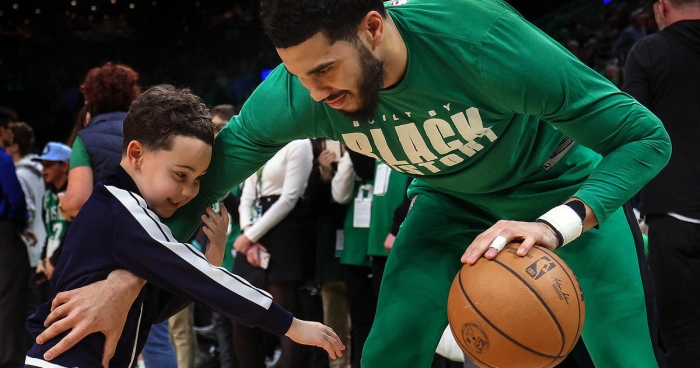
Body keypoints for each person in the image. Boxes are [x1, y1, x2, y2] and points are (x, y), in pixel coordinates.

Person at [36, 1, 670, 367]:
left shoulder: (484, 44)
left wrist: (557, 224)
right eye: (300, 78)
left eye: (325, 71)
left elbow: (648, 137)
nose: (317, 96)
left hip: (558, 186)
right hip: (450, 203)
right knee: (388, 343)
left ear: (372, 28)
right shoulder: (296, 94)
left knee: (625, 354)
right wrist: (128, 275)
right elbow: (192, 194)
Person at [25, 85, 344, 368]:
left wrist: (210, 260)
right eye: (180, 175)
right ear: (136, 154)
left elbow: (151, 309)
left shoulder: (119, 211)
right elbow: (193, 275)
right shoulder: (123, 213)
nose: (190, 191)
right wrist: (289, 324)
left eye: (198, 180)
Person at [622, 0, 700, 366]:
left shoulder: (649, 50)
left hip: (674, 217)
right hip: (674, 213)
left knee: (683, 339)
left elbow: (630, 134)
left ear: (662, 7)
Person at [232, 138, 313, 368]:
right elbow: (246, 197)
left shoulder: (299, 144)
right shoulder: (258, 144)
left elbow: (289, 198)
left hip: (284, 228)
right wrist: (248, 233)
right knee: (239, 312)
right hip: (253, 227)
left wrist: (249, 237)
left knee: (284, 311)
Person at [58, 62, 142, 219]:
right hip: (150, 232)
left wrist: (63, 204)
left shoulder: (85, 140)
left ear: (90, 100)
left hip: (108, 233)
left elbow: (77, 202)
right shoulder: (149, 134)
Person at [0, 106, 34, 368]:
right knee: (10, 301)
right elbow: (15, 198)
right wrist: (21, 223)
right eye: (9, 129)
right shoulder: (2, 159)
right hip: (4, 233)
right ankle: (10, 361)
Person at [6, 122, 48, 309]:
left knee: (30, 307)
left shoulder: (19, 175)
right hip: (45, 243)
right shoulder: (40, 169)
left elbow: (28, 211)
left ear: (15, 147)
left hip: (29, 247)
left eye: (6, 145)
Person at [33, 142, 72, 286]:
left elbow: (74, 232)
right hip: (51, 264)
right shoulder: (48, 196)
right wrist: (42, 260)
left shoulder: (74, 196)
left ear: (64, 166)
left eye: (49, 164)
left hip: (68, 262)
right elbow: (49, 233)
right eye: (43, 165)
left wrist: (54, 260)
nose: (44, 170)